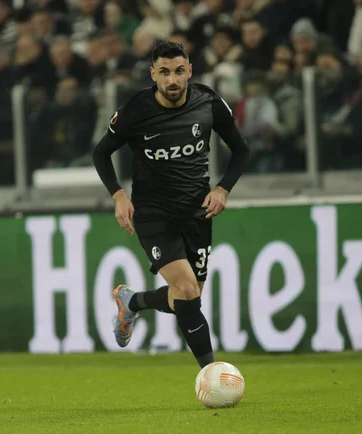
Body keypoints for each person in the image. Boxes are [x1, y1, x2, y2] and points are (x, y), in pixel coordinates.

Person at [92, 41, 251, 368]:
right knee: (186, 289)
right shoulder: (136, 111)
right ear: (153, 74)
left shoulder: (207, 102)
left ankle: (132, 302)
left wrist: (222, 189)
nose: (173, 80)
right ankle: (211, 373)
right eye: (164, 73)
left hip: (197, 212)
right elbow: (100, 153)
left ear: (189, 70)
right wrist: (118, 195)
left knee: (188, 297)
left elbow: (242, 149)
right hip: (153, 214)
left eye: (179, 71)